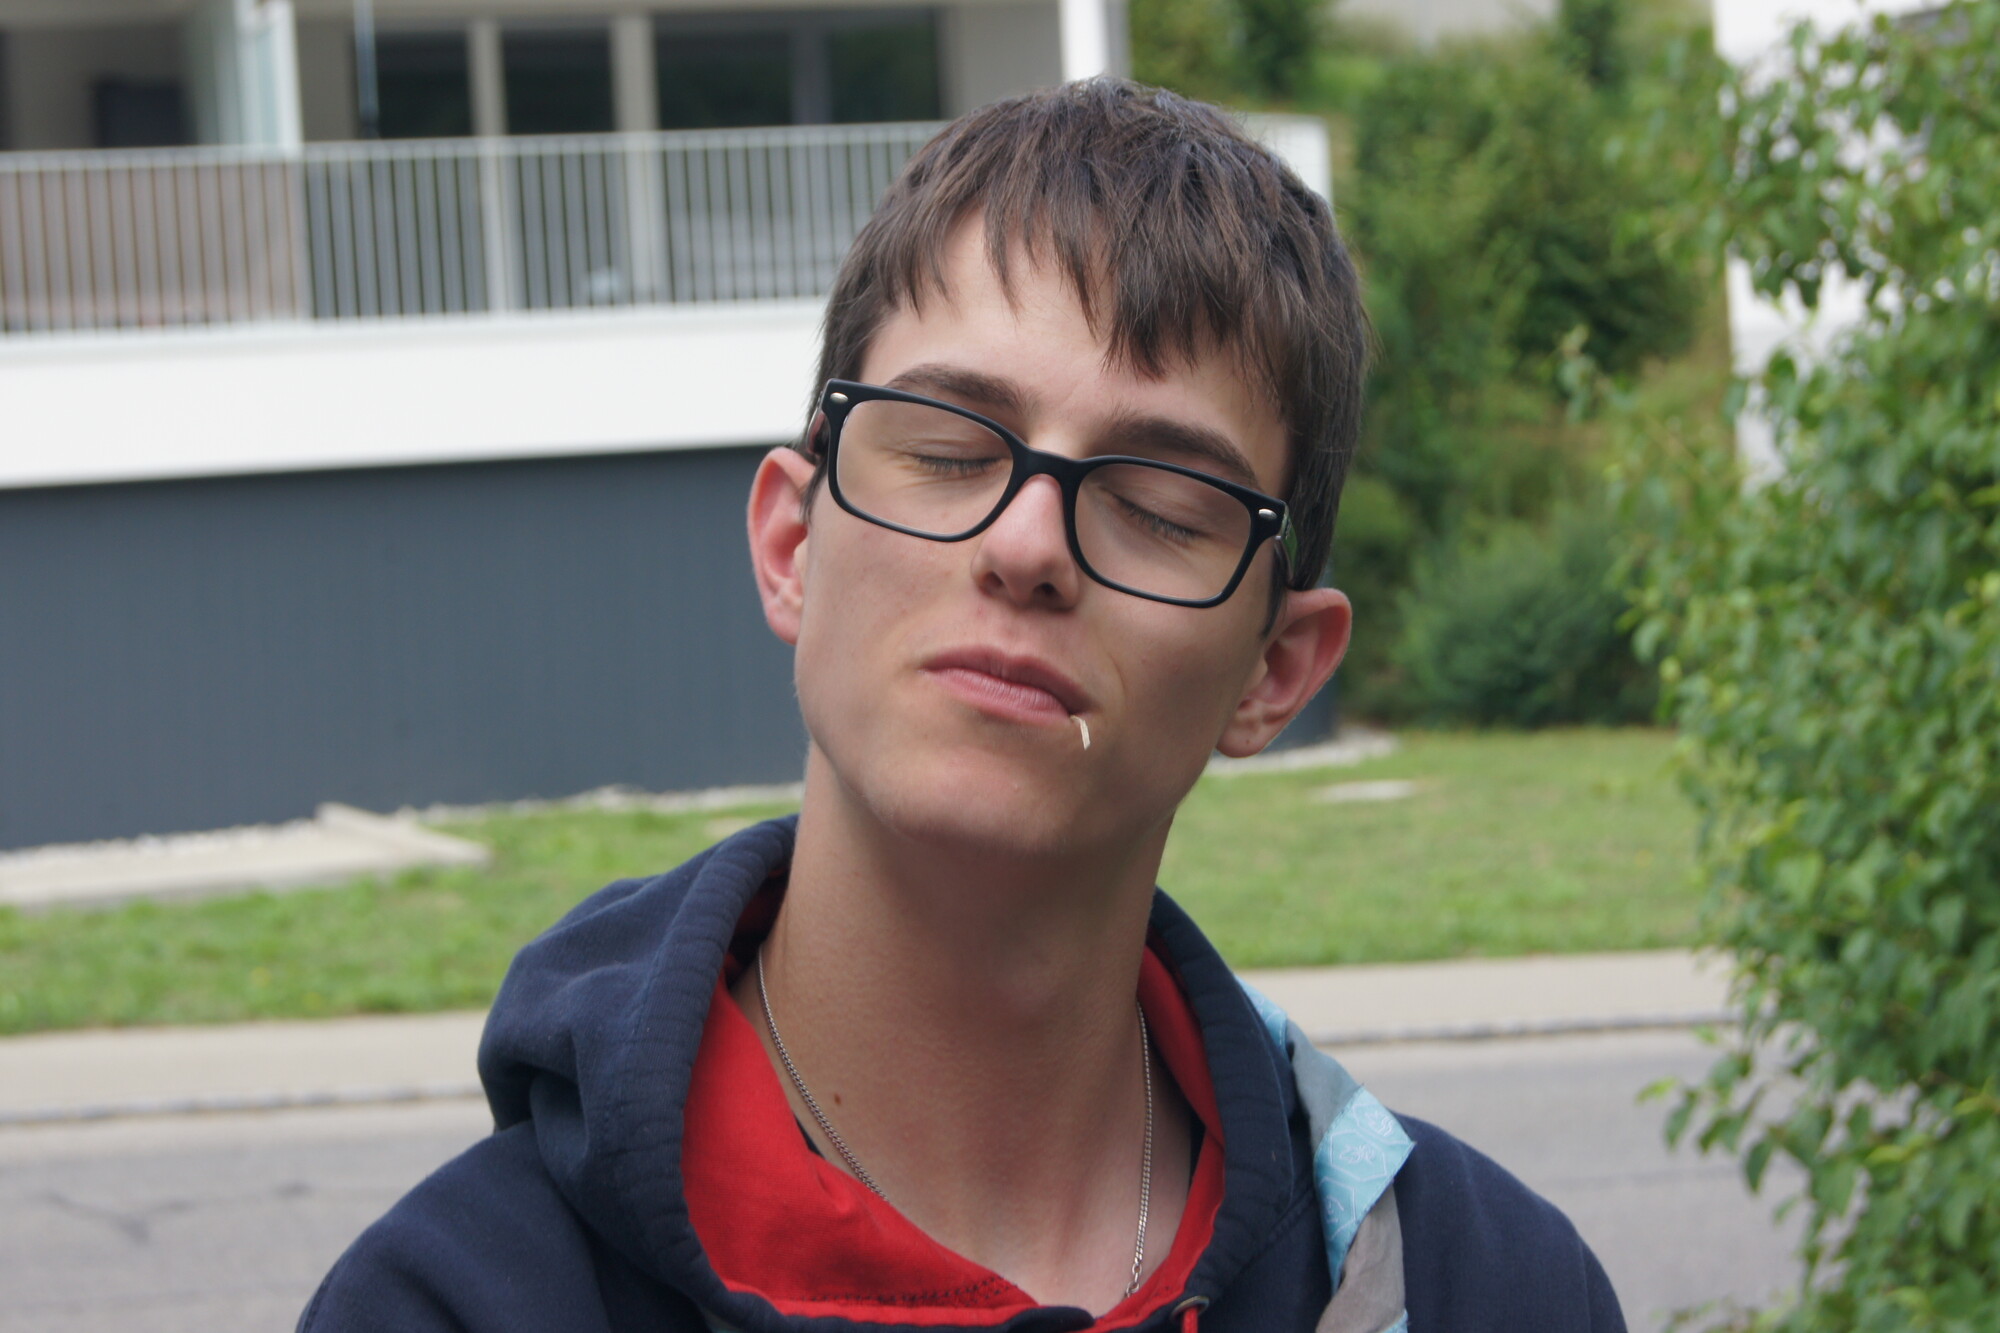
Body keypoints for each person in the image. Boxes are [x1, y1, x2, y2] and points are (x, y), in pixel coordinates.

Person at [299, 78, 1626, 1333]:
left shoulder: (1488, 1287)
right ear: (793, 545)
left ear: (1274, 670)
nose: (1028, 544)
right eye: (945, 451)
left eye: (1162, 507)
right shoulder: (456, 1304)